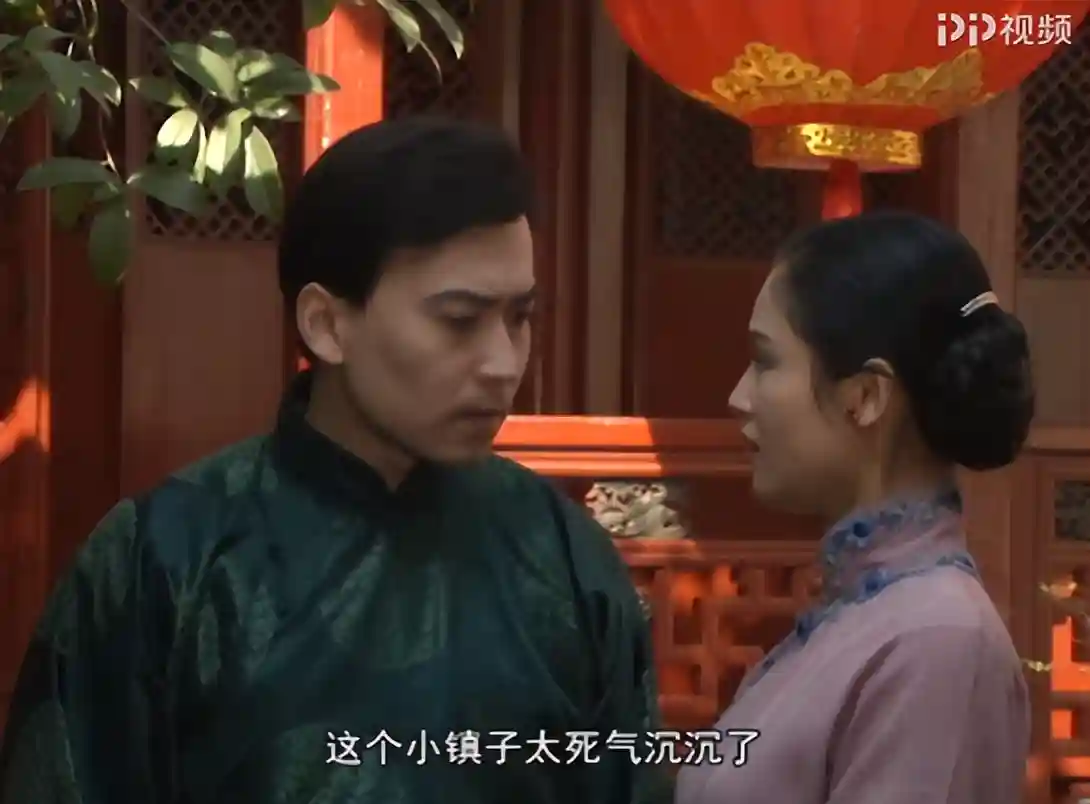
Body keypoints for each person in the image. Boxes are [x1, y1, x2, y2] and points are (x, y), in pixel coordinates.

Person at [0, 117, 671, 804]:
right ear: (325, 324)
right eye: (459, 320)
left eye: (520, 318)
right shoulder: (169, 561)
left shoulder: (563, 557)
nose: (503, 363)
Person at [676, 211, 1033, 804]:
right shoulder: (861, 615)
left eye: (765, 361)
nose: (739, 397)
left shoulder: (938, 643)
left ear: (866, 396)